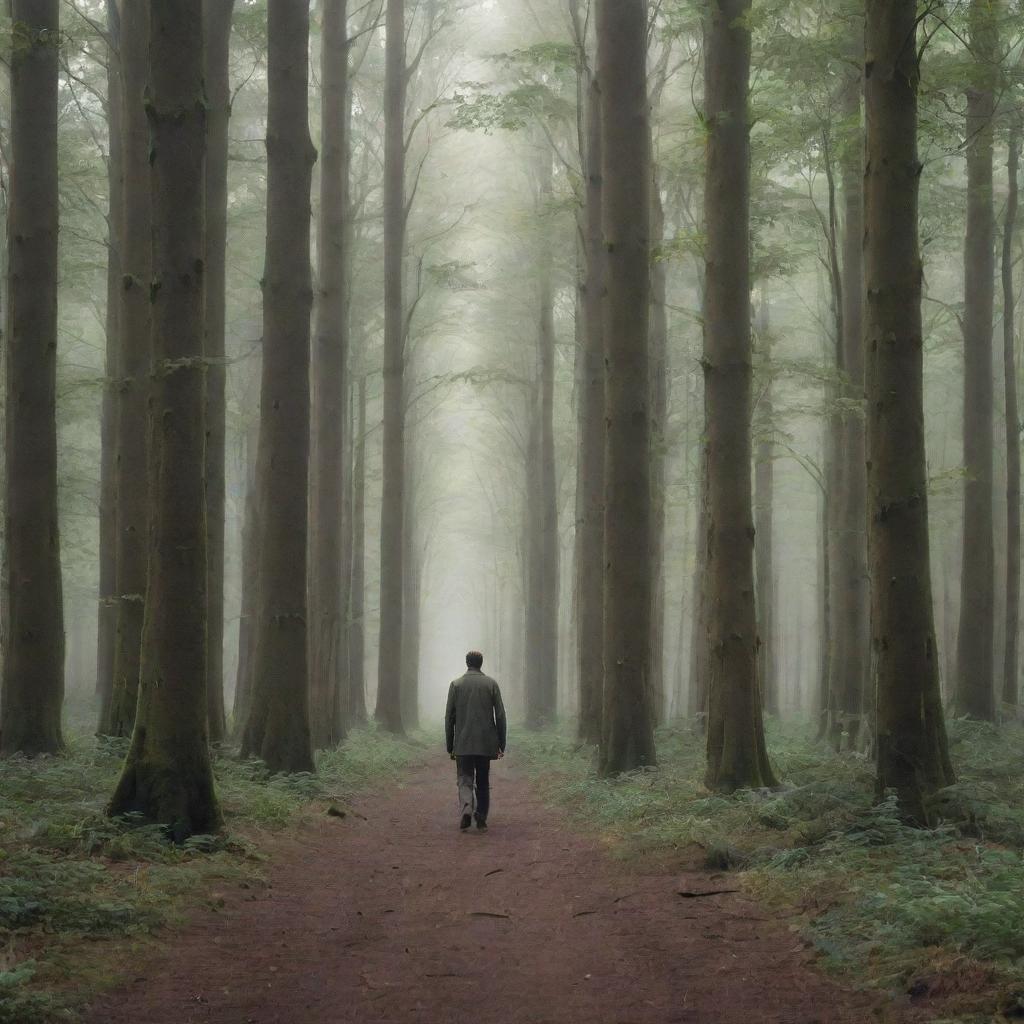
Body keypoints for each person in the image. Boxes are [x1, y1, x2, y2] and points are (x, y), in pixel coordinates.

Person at [445, 651, 507, 832]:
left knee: (464, 779)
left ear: (467, 663)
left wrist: (450, 745)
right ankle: (480, 818)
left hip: (463, 743)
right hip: (486, 743)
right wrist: (501, 743)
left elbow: (449, 717)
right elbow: (501, 715)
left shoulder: (456, 685)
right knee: (482, 781)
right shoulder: (491, 684)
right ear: (481, 663)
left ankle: (466, 808)